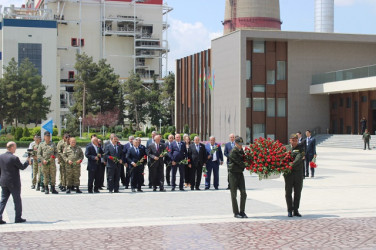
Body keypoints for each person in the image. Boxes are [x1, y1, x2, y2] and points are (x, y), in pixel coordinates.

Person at [0, 142, 31, 224]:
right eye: (15, 147)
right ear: (12, 147)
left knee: (3, 200)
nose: (16, 148)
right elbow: (22, 167)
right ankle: (18, 218)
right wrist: (28, 161)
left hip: (4, 182)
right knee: (17, 200)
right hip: (13, 183)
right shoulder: (14, 158)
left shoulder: (1, 157)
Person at [284, 134, 304, 217]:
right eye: (292, 140)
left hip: (298, 174)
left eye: (295, 140)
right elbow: (282, 158)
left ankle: (296, 210)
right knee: (288, 192)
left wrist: (289, 165)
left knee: (297, 192)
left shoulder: (301, 148)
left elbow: (298, 158)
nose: (294, 141)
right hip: (288, 174)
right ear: (290, 140)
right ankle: (289, 210)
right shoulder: (285, 148)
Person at [228, 136, 247, 219]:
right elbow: (239, 162)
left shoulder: (241, 150)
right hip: (233, 174)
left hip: (240, 173)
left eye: (241, 144)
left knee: (243, 192)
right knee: (234, 194)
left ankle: (242, 211)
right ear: (235, 143)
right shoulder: (233, 152)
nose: (241, 145)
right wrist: (248, 165)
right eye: (239, 144)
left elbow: (244, 159)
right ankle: (236, 212)